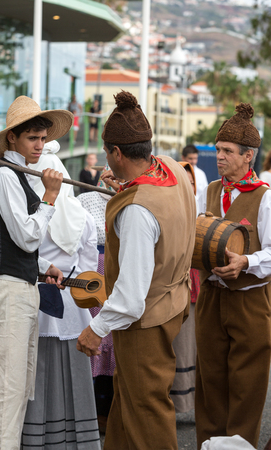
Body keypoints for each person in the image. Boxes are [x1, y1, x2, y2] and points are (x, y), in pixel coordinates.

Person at [76, 90, 196, 449]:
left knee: (146, 413)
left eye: (106, 152)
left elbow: (130, 295)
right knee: (127, 406)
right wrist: (126, 189)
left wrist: (95, 330)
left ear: (115, 153)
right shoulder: (173, 168)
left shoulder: (137, 211)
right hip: (173, 302)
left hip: (145, 320)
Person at [0, 140, 101, 450]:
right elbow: (26, 238)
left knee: (19, 387)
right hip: (11, 294)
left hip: (24, 292)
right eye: (32, 137)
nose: (39, 145)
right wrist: (50, 198)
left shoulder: (16, 178)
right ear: (14, 138)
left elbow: (16, 244)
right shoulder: (4, 176)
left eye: (43, 138)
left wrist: (43, 265)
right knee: (7, 387)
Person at [195, 103, 271, 449]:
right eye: (218, 149)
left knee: (247, 386)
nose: (220, 156)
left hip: (250, 301)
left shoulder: (266, 199)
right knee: (209, 382)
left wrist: (247, 261)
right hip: (211, 299)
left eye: (227, 151)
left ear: (248, 157)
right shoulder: (209, 190)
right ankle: (208, 446)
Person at [78, 168, 115, 433]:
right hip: (92, 275)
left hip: (118, 274)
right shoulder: (86, 200)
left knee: (113, 340)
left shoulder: (133, 199)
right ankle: (87, 413)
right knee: (93, 338)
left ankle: (108, 413)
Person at [170, 161, 199, 414]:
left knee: (189, 347)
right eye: (183, 181)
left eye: (191, 183)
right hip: (169, 289)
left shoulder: (200, 210)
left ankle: (189, 404)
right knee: (175, 346)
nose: (188, 187)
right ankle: (173, 402)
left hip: (195, 289)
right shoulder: (167, 210)